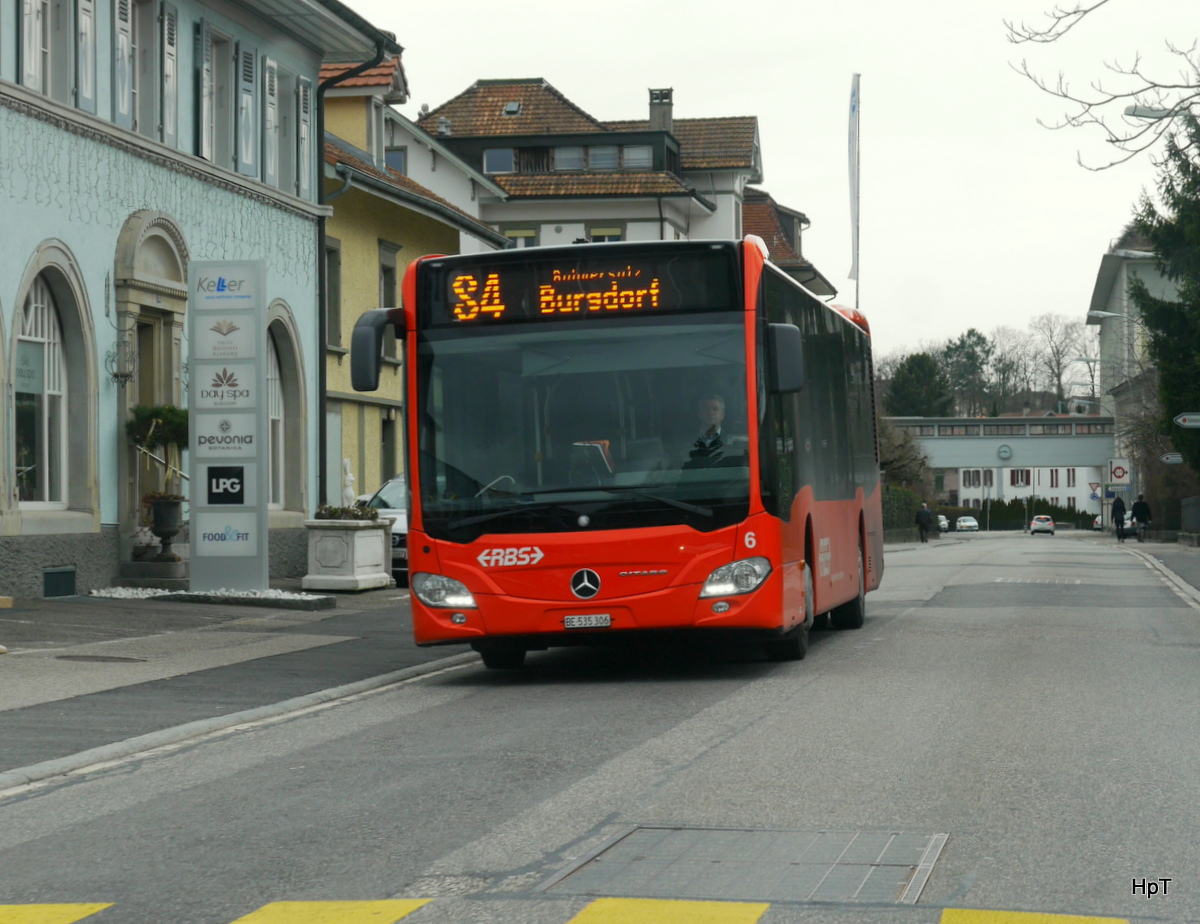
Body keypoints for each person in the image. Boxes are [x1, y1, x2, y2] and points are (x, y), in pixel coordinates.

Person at [686, 394, 727, 467]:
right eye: (706, 409)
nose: (711, 412)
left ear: (722, 415)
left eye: (715, 409)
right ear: (699, 414)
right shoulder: (686, 442)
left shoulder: (733, 443)